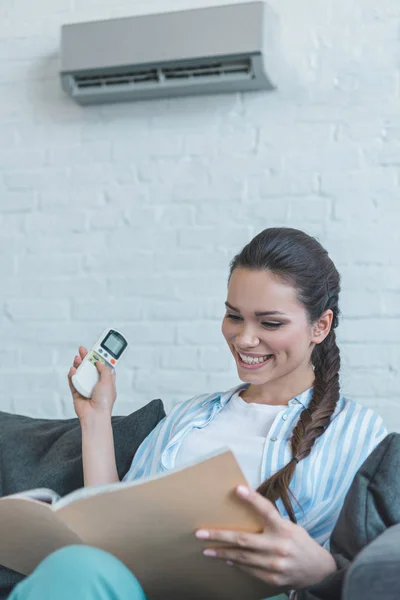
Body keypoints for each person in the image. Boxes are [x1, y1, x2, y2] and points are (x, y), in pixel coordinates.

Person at [9, 227, 387, 600]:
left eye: (270, 322)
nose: (244, 339)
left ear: (320, 325)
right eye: (234, 316)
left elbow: (367, 564)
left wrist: (323, 570)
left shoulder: (358, 433)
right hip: (141, 588)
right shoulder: (190, 418)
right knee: (77, 566)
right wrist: (96, 417)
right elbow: (111, 534)